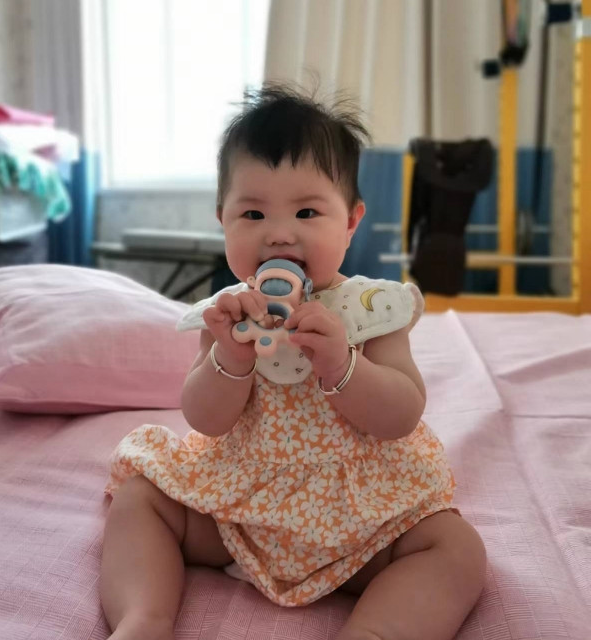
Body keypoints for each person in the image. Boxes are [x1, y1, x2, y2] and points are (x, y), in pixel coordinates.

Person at [100, 84, 487, 640]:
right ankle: (143, 618)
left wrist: (342, 365)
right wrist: (230, 357)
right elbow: (205, 419)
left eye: (307, 211)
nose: (279, 233)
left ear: (350, 222)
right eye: (253, 212)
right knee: (141, 498)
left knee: (454, 548)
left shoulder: (369, 309)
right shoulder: (226, 313)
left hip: (360, 523)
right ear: (223, 220)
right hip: (240, 508)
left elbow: (402, 414)